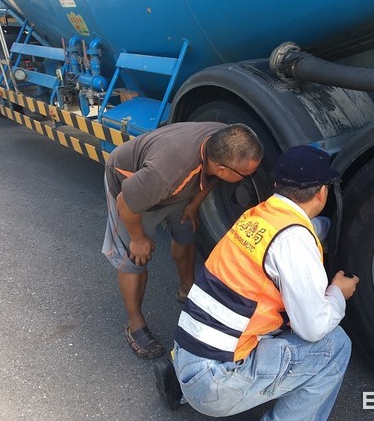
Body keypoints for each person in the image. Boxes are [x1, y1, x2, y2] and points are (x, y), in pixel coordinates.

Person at [154, 145, 360, 420]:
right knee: (335, 344)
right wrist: (337, 293)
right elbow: (313, 328)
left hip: (186, 354)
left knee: (278, 319)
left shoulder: (258, 216)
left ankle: (182, 382)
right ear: (322, 192)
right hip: (215, 380)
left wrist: (327, 229)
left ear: (277, 185)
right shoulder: (294, 241)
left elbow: (301, 232)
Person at [102, 122, 264, 359]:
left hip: (174, 188)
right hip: (131, 193)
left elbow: (210, 179)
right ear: (221, 168)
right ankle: (134, 325)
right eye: (245, 175)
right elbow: (126, 204)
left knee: (187, 231)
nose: (248, 179)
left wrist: (194, 204)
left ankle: (187, 290)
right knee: (135, 259)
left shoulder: (225, 140)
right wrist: (138, 238)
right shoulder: (167, 173)